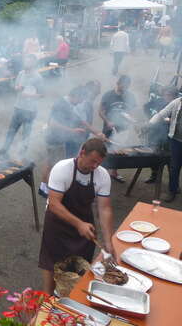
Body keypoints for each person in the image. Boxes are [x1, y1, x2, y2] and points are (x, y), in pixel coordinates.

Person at [38, 138, 116, 295]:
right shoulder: (63, 169)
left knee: (80, 264)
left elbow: (105, 209)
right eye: (92, 161)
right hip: (57, 222)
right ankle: (47, 297)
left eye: (98, 163)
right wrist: (79, 224)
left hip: (84, 222)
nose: (95, 166)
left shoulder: (102, 176)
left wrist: (108, 241)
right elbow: (54, 204)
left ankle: (71, 296)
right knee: (51, 261)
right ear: (82, 153)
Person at [39, 87, 105, 198]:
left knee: (54, 163)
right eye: (80, 99)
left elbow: (82, 121)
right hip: (53, 138)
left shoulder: (69, 105)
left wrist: (97, 132)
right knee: (51, 164)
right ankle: (44, 187)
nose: (80, 102)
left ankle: (47, 186)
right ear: (75, 96)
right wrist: (72, 130)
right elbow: (52, 123)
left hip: (61, 139)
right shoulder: (61, 104)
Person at [0, 54, 43, 157]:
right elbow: (16, 86)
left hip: (30, 110)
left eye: (29, 61)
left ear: (34, 63)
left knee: (25, 135)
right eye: (26, 61)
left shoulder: (37, 77)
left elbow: (42, 94)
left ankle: (21, 155)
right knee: (11, 131)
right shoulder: (21, 74)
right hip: (18, 107)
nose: (27, 63)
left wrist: (29, 95)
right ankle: (4, 150)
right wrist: (17, 88)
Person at [99, 75, 137, 182]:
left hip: (123, 128)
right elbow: (100, 111)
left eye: (127, 86)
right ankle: (102, 173)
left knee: (118, 150)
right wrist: (108, 121)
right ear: (118, 83)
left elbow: (131, 111)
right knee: (105, 150)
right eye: (123, 86)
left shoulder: (130, 96)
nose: (125, 88)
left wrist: (130, 119)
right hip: (108, 128)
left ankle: (114, 173)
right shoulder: (108, 95)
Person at [149, 92, 182, 202]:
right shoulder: (177, 102)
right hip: (176, 140)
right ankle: (172, 191)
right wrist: (149, 124)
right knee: (175, 167)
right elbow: (162, 114)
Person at [143, 86, 178, 183]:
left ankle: (173, 182)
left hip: (169, 135)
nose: (167, 97)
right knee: (153, 155)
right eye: (166, 94)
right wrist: (149, 117)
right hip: (155, 133)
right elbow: (146, 107)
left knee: (170, 160)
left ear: (174, 96)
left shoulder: (177, 104)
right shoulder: (158, 101)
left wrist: (170, 120)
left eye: (170, 95)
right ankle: (154, 175)